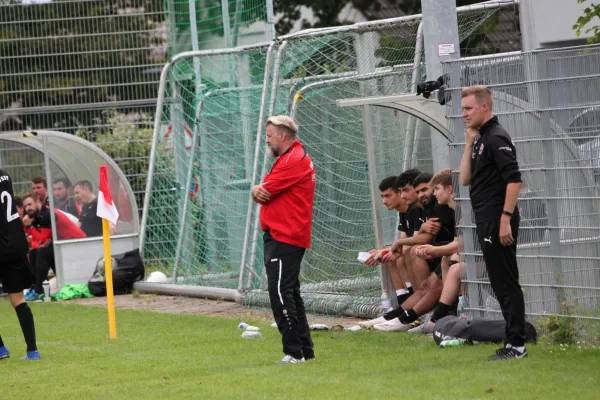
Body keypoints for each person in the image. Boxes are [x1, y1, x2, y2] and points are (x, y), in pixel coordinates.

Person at [459, 85, 527, 360]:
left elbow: (514, 179)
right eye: (463, 108)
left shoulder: (497, 137)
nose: (463, 114)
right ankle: (514, 342)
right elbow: (465, 179)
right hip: (486, 219)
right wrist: (467, 144)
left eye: (468, 108)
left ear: (484, 107)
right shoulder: (480, 138)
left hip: (498, 219)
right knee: (499, 282)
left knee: (506, 281)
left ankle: (517, 345)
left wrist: (505, 219)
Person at [251, 115, 316, 364]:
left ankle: (294, 352)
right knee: (290, 293)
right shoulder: (291, 158)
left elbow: (263, 192)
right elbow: (263, 191)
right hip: (286, 235)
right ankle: (305, 351)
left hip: (285, 236)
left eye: (269, 136)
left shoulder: (292, 160)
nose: (267, 141)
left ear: (282, 135)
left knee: (280, 293)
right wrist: (257, 190)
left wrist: (256, 189)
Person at [0, 169, 41, 360]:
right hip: (14, 241)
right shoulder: (4, 174)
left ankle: (1, 349)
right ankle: (32, 351)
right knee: (18, 299)